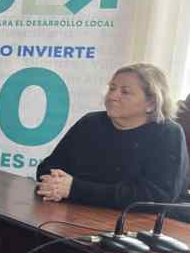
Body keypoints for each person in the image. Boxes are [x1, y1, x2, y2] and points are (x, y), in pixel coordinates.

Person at [36, 63, 188, 209]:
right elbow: (48, 166)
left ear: (151, 103)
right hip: (75, 210)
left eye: (125, 92)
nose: (112, 96)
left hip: (137, 221)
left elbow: (157, 197)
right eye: (112, 88)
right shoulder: (90, 122)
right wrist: (55, 184)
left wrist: (75, 189)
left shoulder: (168, 133)